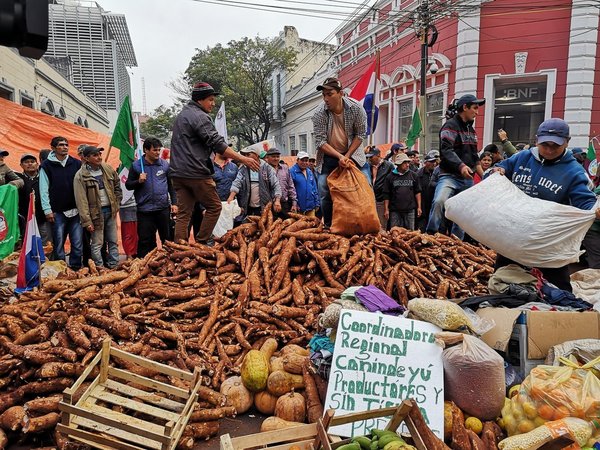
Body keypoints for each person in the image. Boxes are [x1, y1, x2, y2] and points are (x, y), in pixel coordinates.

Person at [492, 118, 600, 291]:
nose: (549, 150)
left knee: (558, 291)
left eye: (555, 146)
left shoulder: (574, 171)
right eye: (545, 145)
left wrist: (595, 210)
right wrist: (497, 171)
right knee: (502, 281)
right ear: (536, 140)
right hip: (513, 236)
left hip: (548, 242)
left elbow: (585, 201)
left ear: (567, 142)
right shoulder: (522, 158)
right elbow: (499, 168)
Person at [170, 82, 259, 244]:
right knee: (215, 207)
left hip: (178, 174)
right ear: (200, 100)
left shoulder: (182, 115)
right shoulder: (200, 116)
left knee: (184, 214)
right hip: (196, 172)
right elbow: (217, 143)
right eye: (210, 100)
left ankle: (179, 249)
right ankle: (202, 242)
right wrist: (243, 158)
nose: (213, 103)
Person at [312, 77, 371, 227]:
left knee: (366, 184)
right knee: (323, 188)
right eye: (323, 95)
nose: (326, 98)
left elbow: (360, 135)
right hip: (330, 155)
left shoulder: (357, 109)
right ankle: (329, 225)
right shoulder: (319, 113)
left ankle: (367, 224)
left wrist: (347, 156)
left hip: (354, 154)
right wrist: (339, 156)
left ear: (341, 93)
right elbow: (320, 142)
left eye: (329, 94)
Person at [426, 94, 485, 239]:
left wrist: (484, 176)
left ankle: (456, 241)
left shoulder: (471, 131)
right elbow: (446, 150)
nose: (477, 112)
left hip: (467, 178)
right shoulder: (450, 126)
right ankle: (430, 234)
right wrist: (461, 166)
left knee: (463, 211)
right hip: (449, 176)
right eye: (475, 108)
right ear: (465, 107)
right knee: (440, 201)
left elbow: (475, 157)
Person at [126, 137, 177, 258]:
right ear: (146, 150)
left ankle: (169, 263)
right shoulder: (136, 166)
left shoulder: (164, 165)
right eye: (155, 150)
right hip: (145, 210)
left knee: (167, 239)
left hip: (163, 209)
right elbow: (128, 185)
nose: (157, 153)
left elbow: (171, 186)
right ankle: (145, 265)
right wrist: (138, 181)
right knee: (145, 240)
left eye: (159, 150)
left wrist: (175, 203)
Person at [73, 146, 122, 268]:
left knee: (112, 240)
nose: (99, 157)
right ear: (86, 158)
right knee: (97, 243)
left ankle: (114, 265)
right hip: (95, 214)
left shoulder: (107, 169)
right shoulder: (81, 176)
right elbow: (81, 200)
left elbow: (117, 186)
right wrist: (87, 220)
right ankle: (100, 268)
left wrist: (116, 203)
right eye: (95, 155)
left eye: (99, 154)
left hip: (110, 211)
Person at [40, 136, 83, 270]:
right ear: (53, 148)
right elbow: (43, 189)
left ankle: (75, 268)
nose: (64, 147)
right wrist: (47, 210)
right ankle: (61, 269)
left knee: (77, 243)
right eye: (61, 145)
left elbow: (83, 185)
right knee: (59, 243)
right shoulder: (46, 166)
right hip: (57, 212)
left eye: (66, 145)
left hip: (76, 210)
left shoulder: (76, 163)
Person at [228, 147, 281, 218]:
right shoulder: (243, 168)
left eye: (248, 154)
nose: (246, 157)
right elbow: (237, 182)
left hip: (264, 206)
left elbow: (276, 185)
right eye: (244, 155)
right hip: (247, 207)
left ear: (257, 155)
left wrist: (277, 200)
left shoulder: (267, 168)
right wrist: (231, 197)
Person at [16, 154, 50, 244]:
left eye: (32, 162)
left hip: (43, 218)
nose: (30, 164)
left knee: (46, 244)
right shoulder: (17, 179)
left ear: (37, 164)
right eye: (26, 162)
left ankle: (46, 259)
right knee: (26, 244)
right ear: (21, 165)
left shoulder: (45, 178)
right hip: (24, 219)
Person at [383, 153, 422, 230]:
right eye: (405, 163)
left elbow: (418, 192)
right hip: (395, 211)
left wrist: (419, 207)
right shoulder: (390, 177)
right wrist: (386, 209)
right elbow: (386, 194)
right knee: (394, 232)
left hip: (410, 210)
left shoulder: (413, 175)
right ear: (399, 164)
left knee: (410, 233)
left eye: (408, 162)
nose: (407, 165)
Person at [366, 147, 394, 231]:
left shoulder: (388, 166)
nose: (370, 159)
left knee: (381, 225)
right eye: (369, 157)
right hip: (369, 199)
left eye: (371, 157)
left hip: (381, 199)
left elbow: (392, 181)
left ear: (378, 155)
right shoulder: (368, 166)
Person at [264, 148, 297, 216]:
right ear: (267, 157)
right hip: (269, 206)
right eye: (273, 156)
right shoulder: (263, 170)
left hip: (285, 204)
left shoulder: (285, 168)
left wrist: (294, 203)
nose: (276, 158)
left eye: (277, 156)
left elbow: (291, 186)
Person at [290, 151, 320, 216]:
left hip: (311, 207)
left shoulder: (309, 172)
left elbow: (314, 188)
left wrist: (317, 203)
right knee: (299, 225)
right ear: (297, 160)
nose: (304, 162)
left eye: (306, 160)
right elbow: (290, 189)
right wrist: (294, 204)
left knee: (312, 225)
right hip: (298, 208)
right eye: (302, 160)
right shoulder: (292, 171)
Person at [416, 150, 439, 232]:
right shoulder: (418, 174)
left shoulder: (438, 174)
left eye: (435, 161)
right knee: (422, 229)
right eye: (431, 161)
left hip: (435, 204)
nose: (434, 163)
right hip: (423, 205)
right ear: (425, 162)